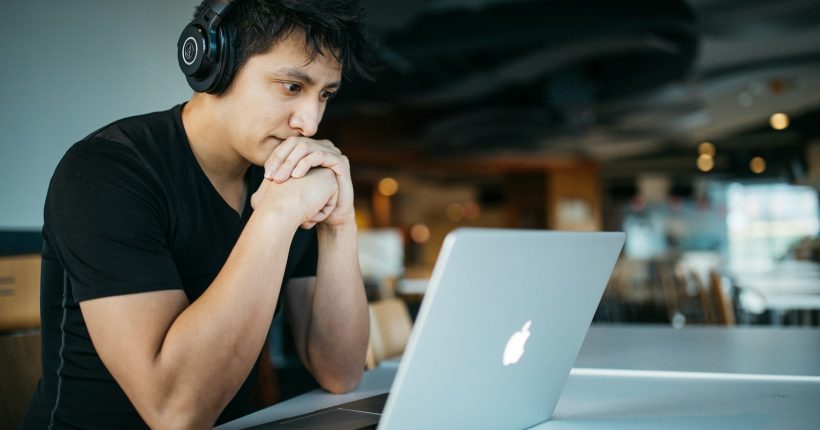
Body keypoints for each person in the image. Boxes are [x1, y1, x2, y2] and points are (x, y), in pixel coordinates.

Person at [21, 0, 374, 428]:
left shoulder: (283, 177)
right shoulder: (107, 171)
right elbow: (176, 412)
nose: (310, 122)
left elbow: (340, 371)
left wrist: (339, 223)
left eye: (325, 94)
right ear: (214, 64)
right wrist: (276, 215)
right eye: (291, 86)